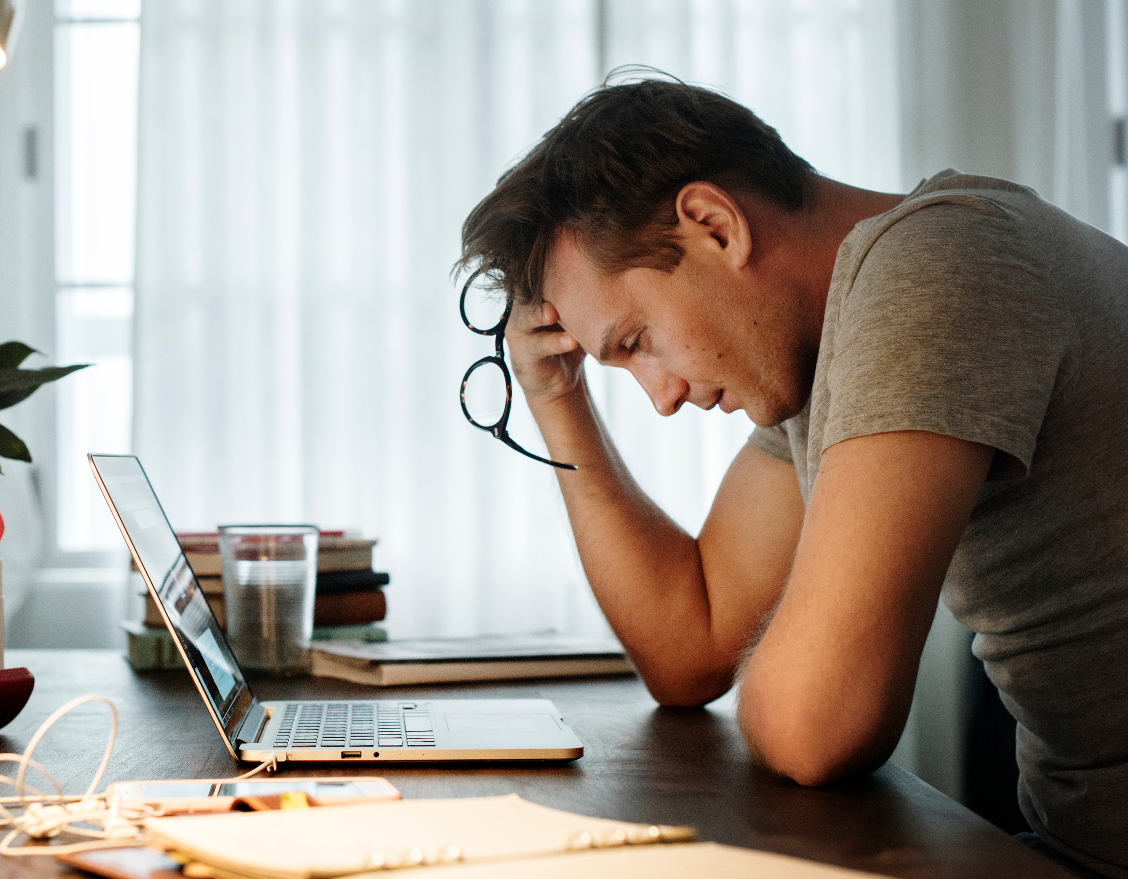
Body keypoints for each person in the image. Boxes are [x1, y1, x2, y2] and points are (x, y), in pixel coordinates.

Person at [456, 77, 1128, 878]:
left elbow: (819, 723)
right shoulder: (825, 349)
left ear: (714, 224)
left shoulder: (938, 267)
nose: (664, 396)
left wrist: (800, 662)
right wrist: (555, 396)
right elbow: (692, 646)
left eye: (638, 340)